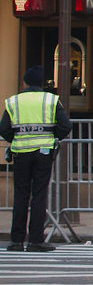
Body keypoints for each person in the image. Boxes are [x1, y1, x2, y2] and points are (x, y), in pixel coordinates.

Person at [2, 65, 71, 252]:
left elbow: (5, 129)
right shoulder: (50, 100)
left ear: (25, 82)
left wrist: (17, 139)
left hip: (21, 153)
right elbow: (65, 126)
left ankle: (16, 240)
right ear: (42, 82)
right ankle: (35, 240)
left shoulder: (14, 102)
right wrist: (51, 137)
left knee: (21, 194)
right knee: (39, 194)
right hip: (43, 152)